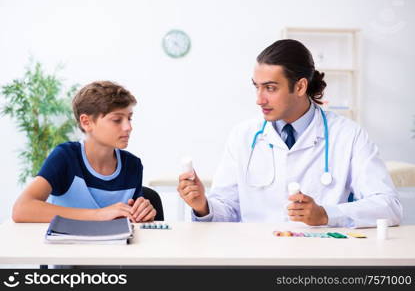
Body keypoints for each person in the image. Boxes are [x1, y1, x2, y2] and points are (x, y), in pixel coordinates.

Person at [178, 39, 402, 228]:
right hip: (256, 258)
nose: (259, 99)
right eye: (257, 87)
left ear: (300, 87)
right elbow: (227, 209)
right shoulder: (243, 136)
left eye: (271, 88)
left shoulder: (348, 136)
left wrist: (326, 214)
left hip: (319, 260)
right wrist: (203, 205)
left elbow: (388, 205)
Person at [13, 81, 156, 223]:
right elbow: (22, 209)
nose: (128, 127)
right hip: (66, 245)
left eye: (129, 118)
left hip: (114, 246)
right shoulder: (66, 157)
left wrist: (143, 213)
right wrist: (99, 215)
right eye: (117, 120)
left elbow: (134, 221)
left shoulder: (132, 164)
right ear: (86, 122)